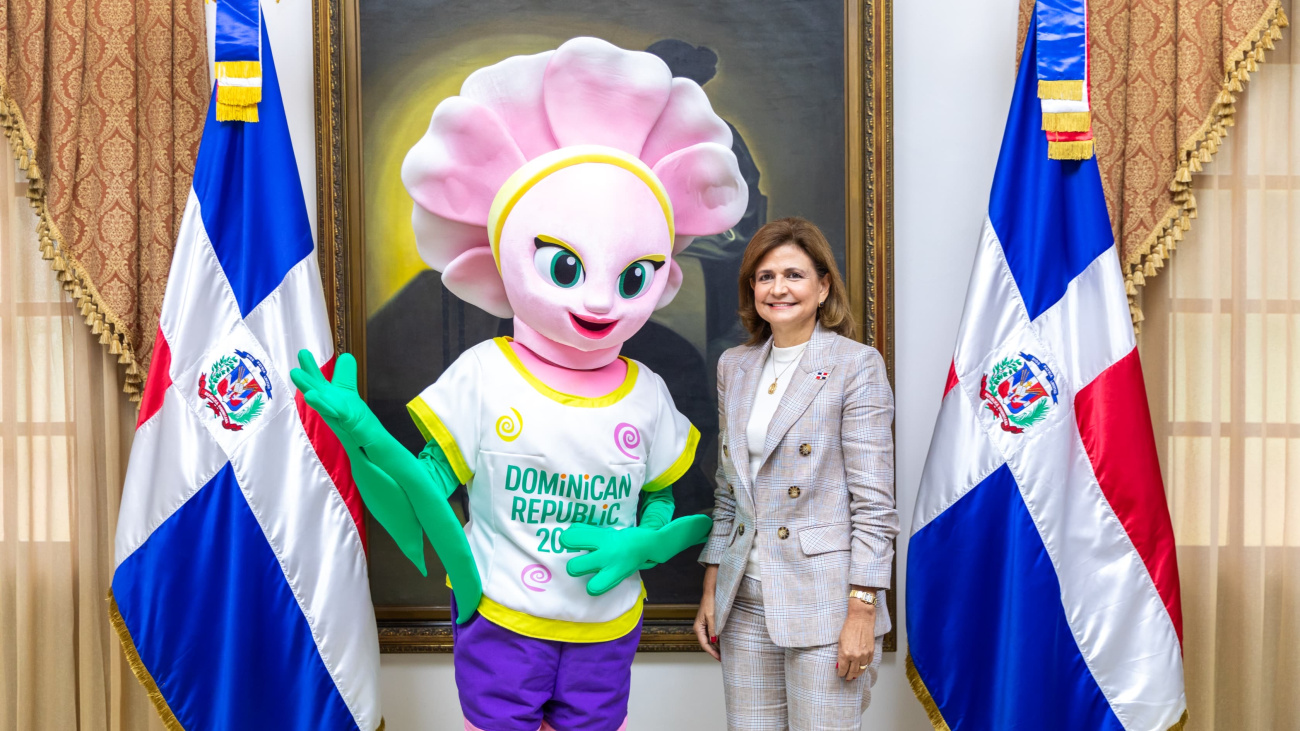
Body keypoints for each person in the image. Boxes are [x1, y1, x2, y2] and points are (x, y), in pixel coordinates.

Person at [695, 217, 898, 729]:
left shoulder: (856, 365)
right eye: (764, 276)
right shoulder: (734, 367)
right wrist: (712, 589)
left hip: (826, 601)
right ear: (751, 288)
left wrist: (862, 611)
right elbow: (729, 492)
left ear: (823, 285)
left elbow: (874, 505)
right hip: (745, 601)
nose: (778, 288)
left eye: (794, 274)